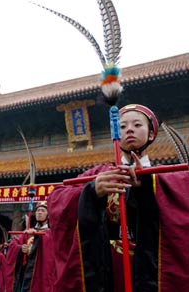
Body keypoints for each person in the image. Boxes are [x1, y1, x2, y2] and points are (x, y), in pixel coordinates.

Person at [48, 104, 189, 291]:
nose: (129, 129)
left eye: (137, 125)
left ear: (151, 134)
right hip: (107, 265)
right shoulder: (99, 174)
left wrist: (147, 186)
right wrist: (91, 192)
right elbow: (57, 199)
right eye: (122, 126)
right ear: (115, 134)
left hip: (152, 265)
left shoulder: (167, 176)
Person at [5, 201, 55, 292]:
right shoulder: (28, 232)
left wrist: (37, 235)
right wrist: (21, 248)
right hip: (25, 272)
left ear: (48, 215)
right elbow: (13, 244)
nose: (39, 212)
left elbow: (51, 249)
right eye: (38, 210)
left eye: (43, 210)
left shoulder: (50, 233)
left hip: (40, 272)